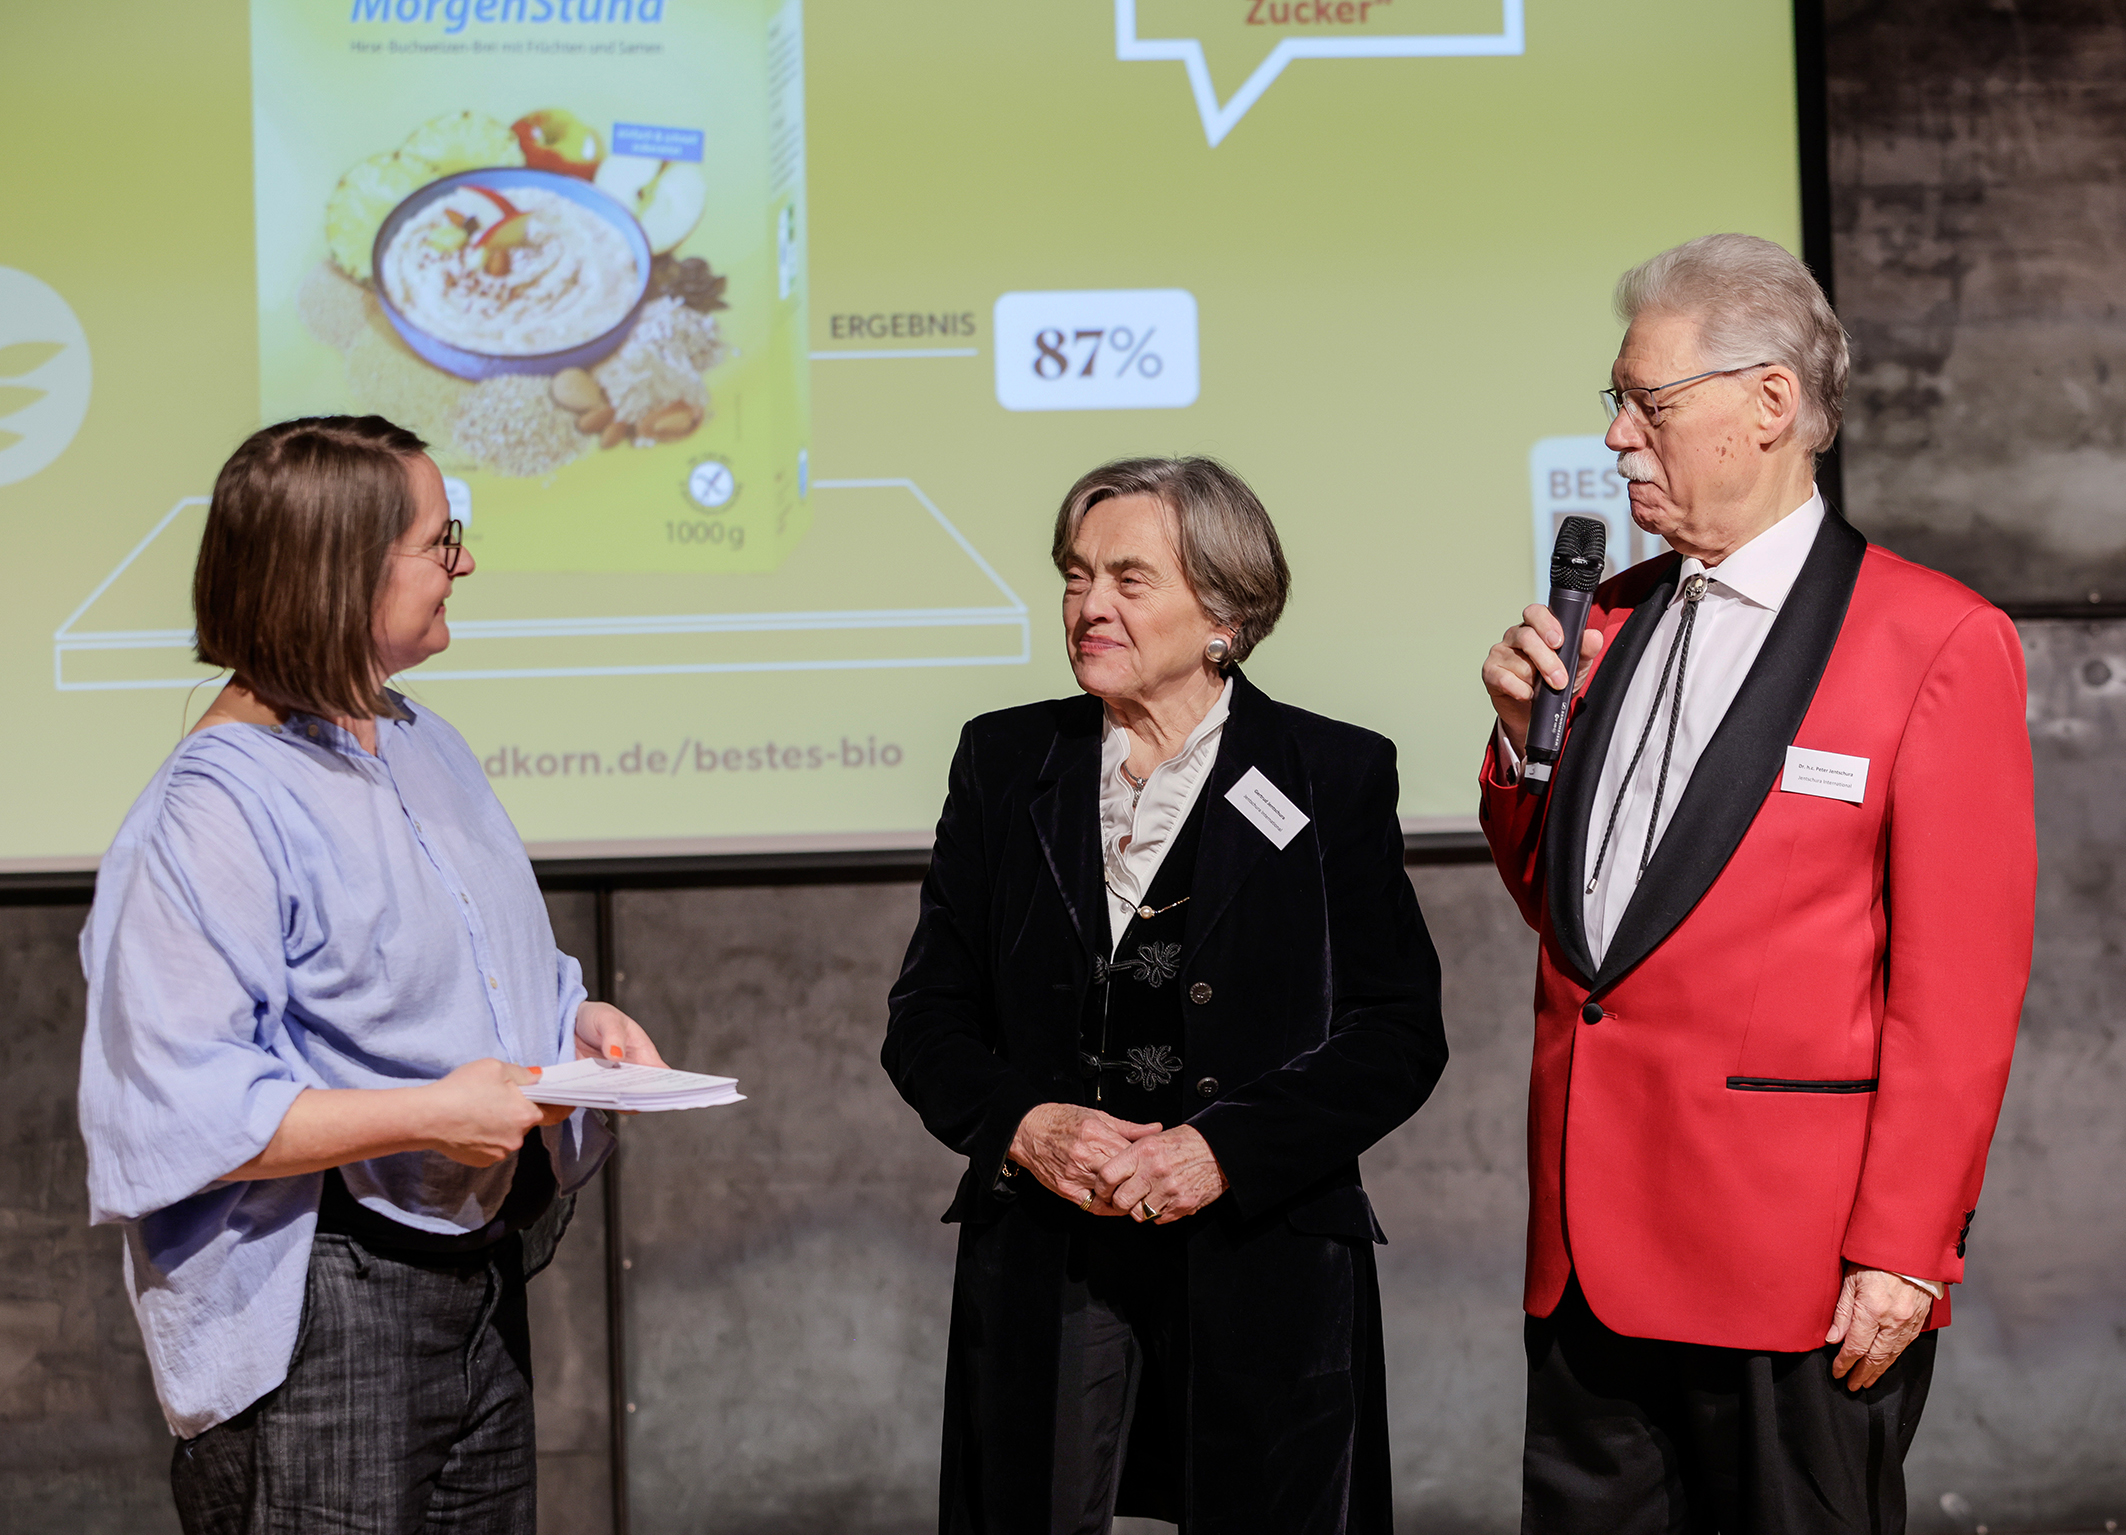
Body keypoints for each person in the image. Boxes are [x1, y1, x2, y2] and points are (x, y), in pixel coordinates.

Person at [1478, 234, 2036, 1533]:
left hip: (1793, 1272)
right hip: (1583, 1259)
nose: (1615, 435)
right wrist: (1517, 750)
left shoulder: (1934, 640)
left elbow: (1955, 996)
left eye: (1646, 402)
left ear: (1770, 402)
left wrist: (1903, 1249)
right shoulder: (1605, 620)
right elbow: (1581, 925)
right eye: (1613, 400)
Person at [77, 416, 666, 1534]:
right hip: (322, 1301)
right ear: (341, 570)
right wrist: (431, 1113)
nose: (465, 564)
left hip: (476, 1281)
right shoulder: (217, 806)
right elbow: (179, 1106)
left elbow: (483, 969)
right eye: (441, 542)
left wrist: (577, 1022)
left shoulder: (425, 740)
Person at [882, 457, 1449, 1534]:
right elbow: (926, 1021)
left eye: (1127, 578)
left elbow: (1395, 1033)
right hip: (1049, 1247)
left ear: (1223, 613)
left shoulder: (1329, 771)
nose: (1088, 604)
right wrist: (1026, 1125)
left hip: (1262, 1249)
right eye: (1074, 575)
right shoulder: (1004, 760)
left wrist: (1220, 1149)